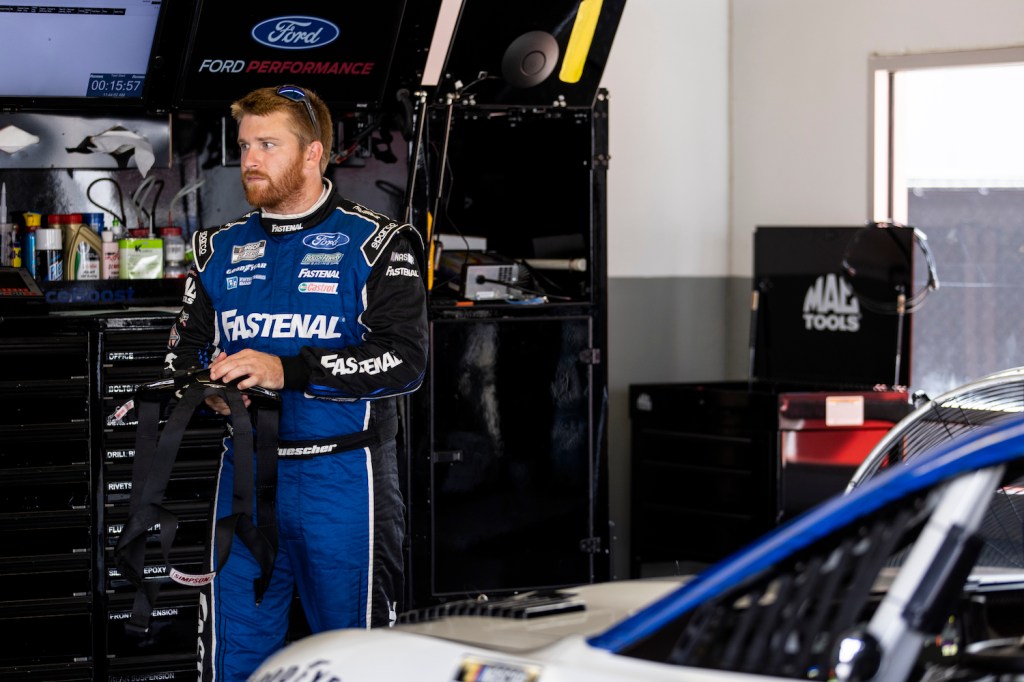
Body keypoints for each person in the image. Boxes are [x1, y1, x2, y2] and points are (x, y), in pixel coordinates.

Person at [163, 84, 428, 681]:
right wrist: (206, 391)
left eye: (267, 144)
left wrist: (288, 372)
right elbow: (181, 357)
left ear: (313, 153)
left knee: (354, 657)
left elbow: (405, 360)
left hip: (342, 483)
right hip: (246, 481)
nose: (249, 160)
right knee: (236, 656)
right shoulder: (217, 247)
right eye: (244, 145)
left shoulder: (380, 242)